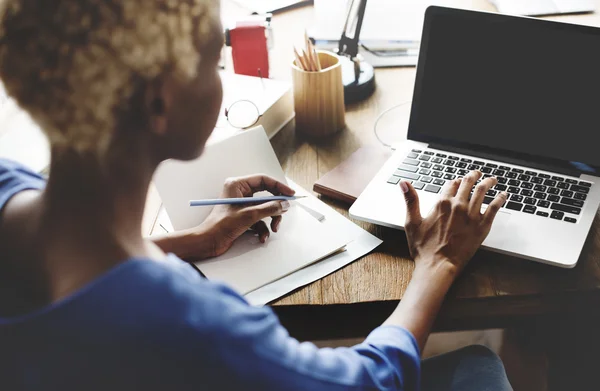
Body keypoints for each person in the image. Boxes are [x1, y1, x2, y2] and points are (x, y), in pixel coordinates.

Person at [0, 0, 512, 390]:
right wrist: (437, 263)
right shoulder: (191, 323)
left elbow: (76, 275)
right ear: (159, 101)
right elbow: (364, 380)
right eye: (213, 62)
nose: (222, 77)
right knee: (479, 368)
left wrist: (193, 242)